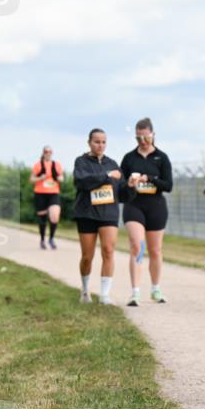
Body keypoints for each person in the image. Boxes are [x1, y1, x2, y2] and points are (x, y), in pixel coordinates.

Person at [120, 117, 173, 306]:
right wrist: (129, 184)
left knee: (155, 250)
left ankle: (155, 288)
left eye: (146, 137)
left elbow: (168, 185)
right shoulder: (129, 158)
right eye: (138, 138)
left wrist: (150, 178)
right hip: (134, 205)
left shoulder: (162, 157)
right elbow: (120, 188)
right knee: (137, 245)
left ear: (153, 135)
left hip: (156, 206)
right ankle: (135, 291)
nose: (142, 141)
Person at [72, 129, 126, 305]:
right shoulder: (81, 162)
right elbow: (82, 182)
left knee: (108, 251)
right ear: (89, 142)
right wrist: (106, 176)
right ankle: (85, 290)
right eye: (96, 142)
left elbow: (122, 193)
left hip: (108, 213)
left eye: (103, 142)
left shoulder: (113, 163)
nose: (100, 145)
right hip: (87, 213)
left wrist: (131, 186)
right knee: (87, 256)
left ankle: (104, 295)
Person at [31, 146, 65, 249]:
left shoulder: (56, 165)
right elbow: (32, 179)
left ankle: (51, 239)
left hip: (53, 193)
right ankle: (42, 240)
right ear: (43, 153)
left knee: (55, 216)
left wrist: (58, 177)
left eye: (50, 151)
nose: (48, 153)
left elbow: (62, 178)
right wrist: (40, 178)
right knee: (42, 218)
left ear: (52, 153)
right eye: (46, 151)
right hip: (40, 193)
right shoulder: (38, 165)